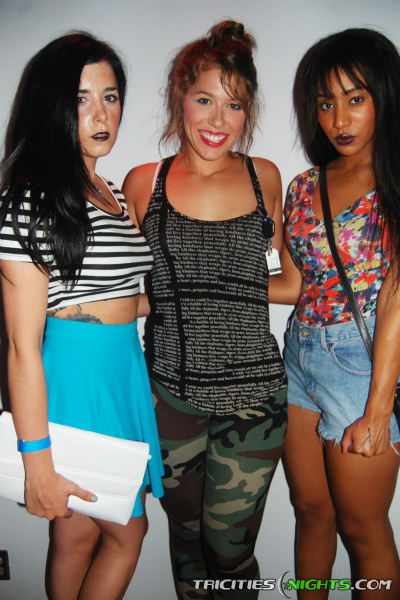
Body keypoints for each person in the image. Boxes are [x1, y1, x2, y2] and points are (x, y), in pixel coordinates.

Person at [123, 20, 287, 600]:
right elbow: (137, 289)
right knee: (186, 540)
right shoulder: (144, 183)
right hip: (170, 396)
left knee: (229, 549)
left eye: (234, 105)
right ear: (181, 98)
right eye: (205, 100)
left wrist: (223, 288)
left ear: (249, 112)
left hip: (254, 398)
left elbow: (288, 281)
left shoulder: (264, 176)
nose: (218, 120)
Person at [0, 32, 163, 600]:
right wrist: (36, 462)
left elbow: (114, 296)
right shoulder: (30, 198)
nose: (100, 114)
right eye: (80, 99)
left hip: (121, 366)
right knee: (112, 535)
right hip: (73, 375)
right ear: (51, 106)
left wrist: (184, 296)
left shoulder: (108, 190)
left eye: (110, 97)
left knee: (95, 532)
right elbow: (22, 345)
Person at [269, 28, 400, 599]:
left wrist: (378, 408)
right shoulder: (305, 187)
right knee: (310, 511)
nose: (339, 119)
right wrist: (215, 283)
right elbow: (295, 284)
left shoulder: (395, 183)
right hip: (299, 353)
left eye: (355, 98)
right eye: (326, 103)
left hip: (363, 365)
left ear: (384, 96)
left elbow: (396, 298)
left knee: (363, 531)